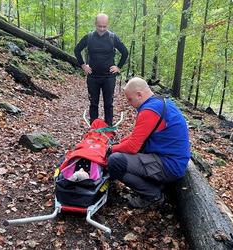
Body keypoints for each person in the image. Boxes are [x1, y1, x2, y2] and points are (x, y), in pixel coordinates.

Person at [107, 77, 191, 208]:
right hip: (173, 159)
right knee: (119, 153)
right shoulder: (160, 102)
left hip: (169, 164)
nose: (129, 103)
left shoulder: (149, 111)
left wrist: (111, 150)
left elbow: (133, 147)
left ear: (139, 95)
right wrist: (118, 144)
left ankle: (152, 195)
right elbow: (138, 136)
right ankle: (153, 185)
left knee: (115, 161)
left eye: (130, 99)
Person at [74, 13, 128, 126]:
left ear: (107, 25)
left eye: (104, 26)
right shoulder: (89, 37)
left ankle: (108, 127)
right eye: (100, 26)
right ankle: (94, 127)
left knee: (109, 104)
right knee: (93, 103)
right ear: (95, 24)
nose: (102, 29)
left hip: (109, 77)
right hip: (93, 77)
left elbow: (125, 52)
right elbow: (77, 50)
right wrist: (83, 65)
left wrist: (118, 67)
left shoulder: (113, 37)